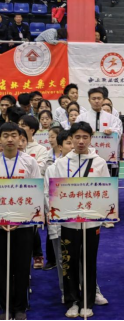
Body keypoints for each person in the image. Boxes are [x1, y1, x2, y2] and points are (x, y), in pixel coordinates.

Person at [49, 122, 110, 318]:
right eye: (77, 137)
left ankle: (87, 302)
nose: (81, 141)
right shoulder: (61, 164)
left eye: (85, 137)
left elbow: (106, 191)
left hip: (92, 223)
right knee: (69, 262)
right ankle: (72, 301)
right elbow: (55, 193)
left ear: (91, 138)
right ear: (71, 139)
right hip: (68, 222)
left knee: (89, 262)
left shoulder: (99, 162)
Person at [0, 123, 41, 321]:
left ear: (20, 138)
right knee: (2, 267)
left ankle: (20, 307)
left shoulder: (29, 162)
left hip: (24, 224)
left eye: (13, 135)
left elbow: (36, 192)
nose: (10, 139)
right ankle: (5, 306)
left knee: (22, 266)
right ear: (0, 139)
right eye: (5, 135)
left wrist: (22, 218)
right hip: (0, 224)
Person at [44, 129, 73, 301]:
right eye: (69, 143)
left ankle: (93, 289)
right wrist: (59, 212)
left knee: (83, 258)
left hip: (79, 220)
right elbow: (47, 195)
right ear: (60, 147)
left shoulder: (85, 165)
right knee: (63, 259)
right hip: (59, 220)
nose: (73, 146)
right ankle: (66, 292)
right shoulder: (52, 169)